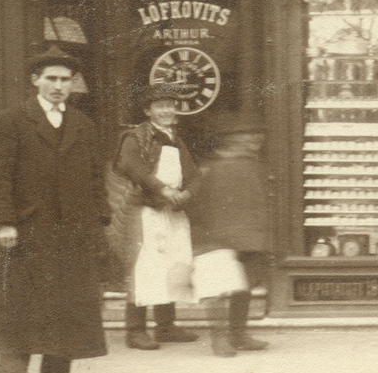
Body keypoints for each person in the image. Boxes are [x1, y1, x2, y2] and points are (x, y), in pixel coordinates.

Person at [0, 51, 109, 373]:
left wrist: (99, 220)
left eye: (65, 79)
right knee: (20, 308)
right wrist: (5, 222)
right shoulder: (13, 120)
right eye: (51, 79)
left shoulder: (83, 124)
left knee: (67, 308)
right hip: (28, 231)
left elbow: (95, 178)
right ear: (35, 81)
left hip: (73, 232)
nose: (58, 86)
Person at [109, 84, 200, 350]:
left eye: (170, 106)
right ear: (148, 111)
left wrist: (187, 193)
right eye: (160, 106)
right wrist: (163, 190)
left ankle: (166, 326)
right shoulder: (135, 138)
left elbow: (193, 174)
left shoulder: (175, 139)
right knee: (144, 267)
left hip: (172, 212)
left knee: (172, 265)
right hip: (145, 211)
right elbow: (133, 167)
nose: (167, 110)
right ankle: (135, 330)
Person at [188, 127, 273, 357]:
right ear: (230, 141)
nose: (254, 141)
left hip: (248, 234)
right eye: (247, 138)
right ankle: (219, 338)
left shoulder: (253, 165)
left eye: (256, 137)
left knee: (244, 284)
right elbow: (197, 202)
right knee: (216, 287)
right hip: (216, 236)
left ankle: (238, 334)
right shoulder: (208, 168)